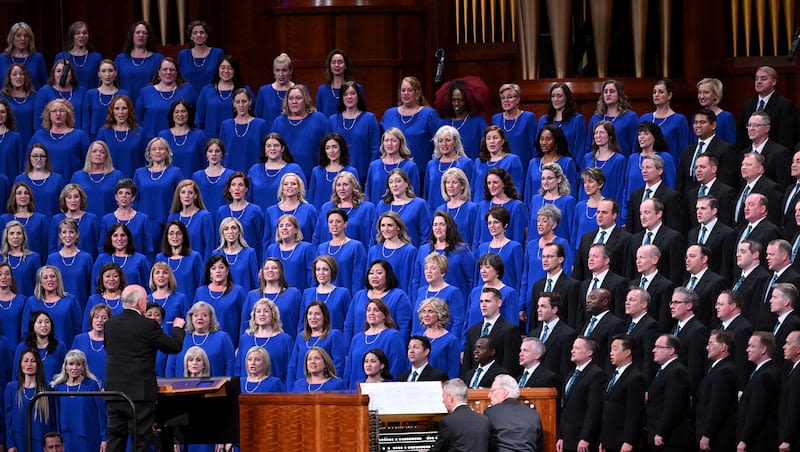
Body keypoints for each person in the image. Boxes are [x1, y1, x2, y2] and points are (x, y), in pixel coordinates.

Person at [104, 284, 185, 452]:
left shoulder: (110, 325)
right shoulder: (148, 325)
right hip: (140, 395)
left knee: (115, 439)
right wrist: (178, 328)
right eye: (146, 301)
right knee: (140, 442)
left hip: (115, 393)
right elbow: (173, 347)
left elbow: (109, 348)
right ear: (140, 303)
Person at [380, 76, 440, 178]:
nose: (406, 93)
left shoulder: (429, 114)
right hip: (392, 174)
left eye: (410, 90)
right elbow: (381, 143)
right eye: (403, 90)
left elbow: (439, 143)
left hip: (420, 173)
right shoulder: (389, 114)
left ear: (417, 93)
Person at [49, 349, 106, 452]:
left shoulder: (91, 385)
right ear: (65, 367)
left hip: (89, 438)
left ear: (83, 367)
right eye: (71, 364)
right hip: (66, 438)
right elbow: (56, 416)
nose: (74, 368)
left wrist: (104, 438)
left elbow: (101, 414)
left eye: (78, 364)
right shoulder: (59, 388)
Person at [344, 259, 413, 344]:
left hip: (387, 347)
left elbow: (404, 328)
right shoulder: (359, 296)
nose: (374, 276)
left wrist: (399, 347)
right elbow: (349, 325)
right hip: (360, 346)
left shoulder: (399, 296)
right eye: (371, 273)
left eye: (379, 273)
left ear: (388, 275)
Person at [598, 334, 647, 452]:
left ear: (627, 352)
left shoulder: (635, 377)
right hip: (609, 441)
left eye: (615, 349)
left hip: (623, 442)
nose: (611, 353)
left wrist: (628, 441)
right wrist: (603, 440)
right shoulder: (613, 374)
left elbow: (634, 413)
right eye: (610, 349)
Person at [132, 137, 183, 249]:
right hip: (145, 224)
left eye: (161, 148)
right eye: (154, 149)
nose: (157, 151)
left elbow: (181, 198)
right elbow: (134, 199)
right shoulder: (139, 173)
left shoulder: (175, 172)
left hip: (168, 222)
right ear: (149, 153)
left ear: (167, 152)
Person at [270, 84, 330, 180]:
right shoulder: (279, 122)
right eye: (290, 98)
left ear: (305, 100)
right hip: (285, 178)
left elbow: (330, 145)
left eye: (298, 98)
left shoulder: (319, 119)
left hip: (314, 175)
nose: (294, 102)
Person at [557, 336, 605, 452]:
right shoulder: (571, 374)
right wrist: (561, 436)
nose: (572, 351)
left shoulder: (597, 374)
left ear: (589, 352)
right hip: (568, 438)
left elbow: (594, 410)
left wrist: (586, 438)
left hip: (582, 440)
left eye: (577, 348)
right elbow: (566, 408)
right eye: (573, 348)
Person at [344, 299, 407, 387]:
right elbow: (349, 370)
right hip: (356, 390)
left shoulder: (393, 336)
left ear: (384, 315)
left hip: (383, 391)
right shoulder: (357, 338)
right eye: (368, 310)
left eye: (376, 310)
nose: (371, 313)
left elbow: (397, 367)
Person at [647, 334, 693, 450]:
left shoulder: (676, 372)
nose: (653, 350)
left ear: (671, 350)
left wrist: (662, 432)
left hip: (670, 439)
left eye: (658, 347)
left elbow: (673, 406)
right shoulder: (666, 370)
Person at [4, 348, 56, 452]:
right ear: (20, 364)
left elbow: (53, 419)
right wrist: (10, 444)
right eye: (26, 361)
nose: (29, 364)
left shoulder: (47, 387)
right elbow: (8, 419)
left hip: (41, 441)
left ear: (38, 365)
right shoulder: (11, 388)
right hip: (19, 442)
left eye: (33, 361)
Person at [736, 332, 781, 452]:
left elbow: (756, 411)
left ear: (763, 349)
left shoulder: (765, 376)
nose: (747, 349)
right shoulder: (765, 371)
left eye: (752, 346)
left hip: (757, 441)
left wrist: (744, 439)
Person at [241, 258, 303, 343]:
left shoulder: (293, 294)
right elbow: (245, 325)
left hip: (288, 344)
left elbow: (302, 322)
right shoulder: (252, 296)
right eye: (266, 268)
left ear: (280, 272)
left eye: (274, 268)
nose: (270, 270)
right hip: (257, 347)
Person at [462, 287, 522, 376]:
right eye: (481, 301)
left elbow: (510, 364)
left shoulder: (509, 330)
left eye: (487, 301)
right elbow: (467, 363)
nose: (483, 305)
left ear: (499, 303)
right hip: (474, 385)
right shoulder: (473, 330)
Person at [694, 329, 737, 452]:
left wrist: (707, 434)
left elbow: (717, 406)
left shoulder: (725, 371)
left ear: (723, 347)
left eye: (711, 344)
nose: (707, 347)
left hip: (717, 438)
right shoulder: (717, 368)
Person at [27, 98, 89, 183]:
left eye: (62, 110)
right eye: (54, 111)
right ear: (48, 114)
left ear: (68, 114)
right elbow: (28, 162)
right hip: (46, 185)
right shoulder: (39, 136)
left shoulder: (79, 135)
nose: (58, 113)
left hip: (71, 187)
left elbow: (87, 163)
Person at [328, 80, 380, 181]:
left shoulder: (369, 119)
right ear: (342, 97)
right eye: (346, 94)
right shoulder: (332, 120)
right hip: (338, 177)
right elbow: (327, 149)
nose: (349, 97)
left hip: (363, 176)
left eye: (352, 93)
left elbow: (375, 149)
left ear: (358, 96)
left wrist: (371, 173)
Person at [166, 301, 234, 377]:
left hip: (214, 387)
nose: (200, 318)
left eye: (204, 315)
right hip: (181, 387)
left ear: (211, 319)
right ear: (191, 318)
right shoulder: (181, 336)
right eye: (196, 315)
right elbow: (170, 365)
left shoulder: (222, 337)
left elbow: (230, 364)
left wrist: (227, 385)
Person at [678, 108, 738, 194]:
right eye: (695, 122)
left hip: (713, 200)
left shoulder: (725, 149)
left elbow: (727, 181)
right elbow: (681, 181)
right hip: (690, 201)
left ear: (713, 125)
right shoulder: (688, 150)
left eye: (702, 122)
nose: (698, 125)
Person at [737, 65, 797, 150]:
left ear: (774, 82)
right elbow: (741, 135)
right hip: (749, 156)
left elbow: (786, 137)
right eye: (756, 79)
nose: (759, 82)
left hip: (773, 156)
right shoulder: (747, 104)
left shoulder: (784, 104)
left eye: (763, 79)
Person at [193, 254, 246, 347]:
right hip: (204, 345)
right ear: (209, 272)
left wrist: (241, 346)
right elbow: (193, 319)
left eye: (221, 267)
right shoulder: (200, 292)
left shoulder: (238, 291)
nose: (218, 271)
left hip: (231, 344)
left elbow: (245, 321)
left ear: (227, 271)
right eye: (213, 268)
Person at [22, 266, 81, 347]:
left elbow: (78, 330)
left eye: (52, 276)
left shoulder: (70, 300)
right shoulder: (31, 302)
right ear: (40, 283)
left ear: (58, 279)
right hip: (37, 353)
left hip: (65, 352)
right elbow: (25, 332)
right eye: (45, 277)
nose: (50, 279)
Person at [287, 301, 346, 384]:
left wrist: (334, 386)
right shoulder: (301, 337)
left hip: (326, 387)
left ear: (324, 317)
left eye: (317, 314)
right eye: (310, 314)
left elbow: (339, 365)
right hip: (302, 388)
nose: (313, 317)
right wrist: (291, 389)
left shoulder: (333, 335)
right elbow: (292, 366)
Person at [236, 298, 293, 384]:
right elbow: (238, 368)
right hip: (247, 392)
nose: (262, 314)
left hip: (276, 391)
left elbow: (290, 370)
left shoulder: (285, 340)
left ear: (273, 315)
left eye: (266, 311)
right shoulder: (245, 339)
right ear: (254, 316)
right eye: (258, 311)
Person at [312, 170, 374, 248]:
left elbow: (373, 238)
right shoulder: (326, 208)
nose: (341, 188)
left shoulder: (367, 208)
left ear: (353, 186)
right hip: (328, 256)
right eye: (338, 185)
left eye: (345, 184)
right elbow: (316, 236)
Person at [247, 132, 306, 213]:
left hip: (286, 220)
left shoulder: (294, 169)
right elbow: (247, 198)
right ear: (264, 149)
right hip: (258, 218)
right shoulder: (254, 170)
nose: (272, 148)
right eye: (268, 146)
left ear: (282, 148)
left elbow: (303, 195)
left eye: (276, 145)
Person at [411, 252, 465, 340]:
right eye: (426, 268)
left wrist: (451, 342)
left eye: (433, 268)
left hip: (442, 341)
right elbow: (416, 320)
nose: (428, 271)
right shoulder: (421, 291)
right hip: (420, 342)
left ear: (442, 272)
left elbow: (458, 322)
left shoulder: (452, 292)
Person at [372, 168, 430, 248]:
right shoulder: (382, 205)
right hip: (384, 255)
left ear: (406, 184)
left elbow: (426, 236)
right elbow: (374, 234)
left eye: (398, 181)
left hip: (411, 255)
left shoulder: (419, 204)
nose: (394, 185)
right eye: (391, 182)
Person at [433, 77, 489, 159]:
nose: (457, 103)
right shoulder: (443, 123)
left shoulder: (478, 122)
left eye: (461, 100)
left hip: (472, 169)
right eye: (454, 100)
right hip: (448, 170)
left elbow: (486, 150)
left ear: (468, 100)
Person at [428, 378, 490, 452]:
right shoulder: (484, 420)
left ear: (450, 398)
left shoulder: (448, 422)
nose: (442, 401)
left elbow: (439, 450)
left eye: (443, 397)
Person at [485, 373, 543, 452]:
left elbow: (484, 443)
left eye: (492, 390)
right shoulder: (533, 414)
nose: (489, 395)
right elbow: (539, 447)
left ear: (504, 392)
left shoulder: (490, 413)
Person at [314, 209, 367, 294]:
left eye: (338, 221)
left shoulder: (356, 246)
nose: (334, 224)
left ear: (345, 224)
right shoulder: (321, 248)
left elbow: (359, 278)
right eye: (330, 222)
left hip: (347, 296)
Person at [423, 125, 474, 214]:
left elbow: (470, 190)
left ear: (455, 142)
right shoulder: (431, 165)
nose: (444, 144)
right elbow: (426, 193)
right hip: (434, 213)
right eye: (440, 141)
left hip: (459, 211)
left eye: (448, 140)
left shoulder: (465, 163)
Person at [365, 212, 418, 298]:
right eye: (382, 225)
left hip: (399, 299)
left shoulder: (409, 251)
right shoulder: (373, 250)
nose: (385, 229)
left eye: (389, 225)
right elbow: (368, 280)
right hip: (376, 301)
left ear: (398, 227)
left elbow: (412, 281)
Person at [364, 127, 420, 206]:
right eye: (386, 140)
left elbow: (415, 195)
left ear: (400, 143)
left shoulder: (410, 166)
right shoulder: (374, 166)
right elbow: (368, 195)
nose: (389, 144)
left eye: (393, 141)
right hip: (377, 213)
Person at [98, 178, 153, 258]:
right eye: (120, 193)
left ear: (133, 197)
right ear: (116, 197)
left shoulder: (143, 219)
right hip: (112, 267)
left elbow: (149, 250)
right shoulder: (106, 220)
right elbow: (101, 248)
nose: (124, 196)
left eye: (127, 193)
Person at [95, 95, 147, 178]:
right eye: (117, 108)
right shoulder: (103, 132)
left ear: (129, 110)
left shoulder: (139, 132)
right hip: (109, 179)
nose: (121, 112)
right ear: (112, 111)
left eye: (124, 108)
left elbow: (145, 160)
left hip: (133, 180)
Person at [639, 79, 690, 163]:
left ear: (669, 95)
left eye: (661, 92)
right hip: (645, 168)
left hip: (670, 167)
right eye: (654, 92)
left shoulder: (679, 120)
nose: (656, 95)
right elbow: (637, 147)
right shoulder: (645, 118)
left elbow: (683, 151)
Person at [474, 167, 527, 248]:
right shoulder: (483, 205)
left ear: (504, 183)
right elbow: (477, 236)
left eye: (495, 182)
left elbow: (518, 238)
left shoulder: (517, 206)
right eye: (489, 183)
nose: (491, 186)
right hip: (484, 254)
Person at [491, 83, 537, 177]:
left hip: (523, 168)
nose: (506, 100)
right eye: (503, 98)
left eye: (510, 97)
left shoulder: (528, 117)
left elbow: (535, 146)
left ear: (518, 99)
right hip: (501, 169)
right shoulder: (496, 118)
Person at [113, 21, 164, 104]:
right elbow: (114, 83)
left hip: (150, 103)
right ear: (132, 35)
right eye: (137, 32)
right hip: (125, 106)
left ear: (148, 37)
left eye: (144, 33)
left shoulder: (158, 58)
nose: (141, 35)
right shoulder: (120, 59)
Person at [528, 293, 577, 380]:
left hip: (553, 386)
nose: (538, 310)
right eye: (538, 306)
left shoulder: (567, 334)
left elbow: (566, 368)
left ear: (554, 309)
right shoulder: (533, 334)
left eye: (543, 306)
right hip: (533, 387)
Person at [70, 140, 124, 219]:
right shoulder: (77, 176)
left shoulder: (117, 176)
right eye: (94, 151)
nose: (98, 154)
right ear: (89, 154)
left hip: (110, 223)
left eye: (102, 152)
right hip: (83, 222)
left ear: (106, 156)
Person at [219, 88, 269, 173]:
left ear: (250, 102)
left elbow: (266, 152)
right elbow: (221, 152)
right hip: (230, 175)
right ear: (233, 104)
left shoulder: (260, 125)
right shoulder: (226, 125)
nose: (241, 105)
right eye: (238, 102)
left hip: (254, 173)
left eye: (244, 101)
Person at [466, 253, 520, 330]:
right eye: (481, 268)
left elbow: (512, 325)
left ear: (497, 270)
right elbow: (467, 321)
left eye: (488, 267)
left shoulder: (509, 293)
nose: (483, 271)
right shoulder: (475, 292)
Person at [527, 124, 579, 204]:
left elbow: (572, 193)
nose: (544, 142)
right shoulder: (533, 163)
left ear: (556, 141)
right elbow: (528, 193)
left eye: (548, 139)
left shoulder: (567, 162)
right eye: (542, 139)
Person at [471, 126, 524, 204]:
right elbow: (472, 189)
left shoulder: (512, 160)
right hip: (479, 206)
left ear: (502, 141)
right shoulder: (478, 162)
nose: (491, 141)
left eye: (495, 138)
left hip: (502, 207)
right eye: (488, 138)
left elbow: (517, 188)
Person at [586, 80, 639, 157]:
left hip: (622, 163)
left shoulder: (630, 117)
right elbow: (588, 146)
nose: (608, 94)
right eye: (605, 91)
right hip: (597, 165)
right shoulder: (596, 118)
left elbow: (635, 147)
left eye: (612, 91)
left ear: (619, 94)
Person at [263, 172, 317, 248]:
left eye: (293, 184)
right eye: (286, 184)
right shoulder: (271, 211)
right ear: (282, 188)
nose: (289, 186)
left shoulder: (309, 210)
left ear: (299, 188)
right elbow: (266, 241)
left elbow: (316, 237)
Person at [264, 213, 316, 293]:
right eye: (281, 226)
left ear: (296, 229)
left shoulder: (306, 248)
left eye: (288, 225)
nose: (284, 228)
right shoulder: (271, 249)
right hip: (276, 295)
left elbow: (312, 275)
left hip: (301, 295)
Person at [307, 132, 359, 210]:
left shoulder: (351, 171)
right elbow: (310, 199)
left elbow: (357, 196)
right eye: (327, 148)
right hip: (320, 215)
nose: (331, 151)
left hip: (342, 216)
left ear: (341, 148)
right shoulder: (316, 171)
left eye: (334, 147)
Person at [165, 179, 215, 259]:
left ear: (195, 195)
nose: (186, 196)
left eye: (190, 193)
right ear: (178, 195)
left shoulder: (204, 216)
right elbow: (167, 245)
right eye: (183, 192)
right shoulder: (172, 217)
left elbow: (209, 247)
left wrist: (205, 269)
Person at [154, 221, 204, 301]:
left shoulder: (194, 257)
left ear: (184, 236)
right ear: (166, 236)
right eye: (171, 233)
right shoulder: (160, 257)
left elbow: (201, 284)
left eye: (178, 233)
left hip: (190, 306)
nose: (175, 236)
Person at [47, 184, 99, 260]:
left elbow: (96, 247)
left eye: (76, 197)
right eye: (69, 197)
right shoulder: (56, 219)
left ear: (81, 199)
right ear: (64, 199)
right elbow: (52, 248)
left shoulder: (92, 219)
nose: (73, 200)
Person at [300, 255, 352, 331]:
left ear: (332, 271)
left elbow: (348, 323)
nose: (321, 273)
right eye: (318, 269)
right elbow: (302, 323)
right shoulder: (307, 293)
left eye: (325, 269)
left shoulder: (343, 293)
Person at [33, 59, 86, 133]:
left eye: (66, 71)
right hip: (52, 138)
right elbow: (38, 120)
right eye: (58, 71)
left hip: (77, 137)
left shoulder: (82, 91)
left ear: (71, 75)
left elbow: (86, 119)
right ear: (53, 74)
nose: (62, 74)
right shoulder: (44, 92)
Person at [527, 162, 576, 241]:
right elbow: (530, 230)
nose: (545, 182)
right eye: (543, 178)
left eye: (549, 178)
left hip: (558, 249)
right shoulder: (535, 200)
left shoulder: (568, 201)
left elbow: (572, 231)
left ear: (559, 179)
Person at [15, 310, 67, 383]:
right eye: (40, 322)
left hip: (53, 391)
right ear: (32, 325)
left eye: (47, 322)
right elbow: (16, 375)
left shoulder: (60, 347)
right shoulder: (23, 347)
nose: (44, 325)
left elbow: (65, 374)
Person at [743, 110, 792, 187]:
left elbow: (783, 185)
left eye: (756, 125)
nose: (751, 128)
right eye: (749, 125)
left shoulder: (780, 152)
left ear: (767, 128)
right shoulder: (744, 153)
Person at [157, 100, 205, 178]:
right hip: (169, 183)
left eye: (183, 111)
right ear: (172, 114)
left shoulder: (198, 135)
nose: (180, 114)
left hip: (192, 185)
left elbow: (204, 162)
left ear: (188, 113)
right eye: (176, 112)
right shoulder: (163, 135)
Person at [538, 83, 585, 161]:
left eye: (559, 96)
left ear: (567, 98)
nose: (555, 99)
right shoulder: (544, 120)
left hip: (569, 166)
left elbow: (580, 149)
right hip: (547, 167)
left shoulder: (577, 119)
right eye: (553, 96)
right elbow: (538, 148)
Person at [92, 223, 150, 288]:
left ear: (128, 238)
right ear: (110, 238)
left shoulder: (141, 259)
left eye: (123, 235)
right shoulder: (101, 259)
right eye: (115, 235)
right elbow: (95, 286)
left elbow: (147, 286)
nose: (119, 238)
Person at [82, 59, 128, 140]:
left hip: (116, 137)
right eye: (103, 71)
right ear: (99, 74)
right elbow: (86, 123)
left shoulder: (124, 94)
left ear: (115, 73)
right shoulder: (90, 94)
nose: (107, 74)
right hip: (95, 138)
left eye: (110, 71)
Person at [1, 181, 47, 259]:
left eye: (26, 193)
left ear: (30, 197)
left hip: (34, 263)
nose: (23, 196)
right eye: (19, 193)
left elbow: (44, 247)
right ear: (14, 197)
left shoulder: (40, 219)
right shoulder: (4, 219)